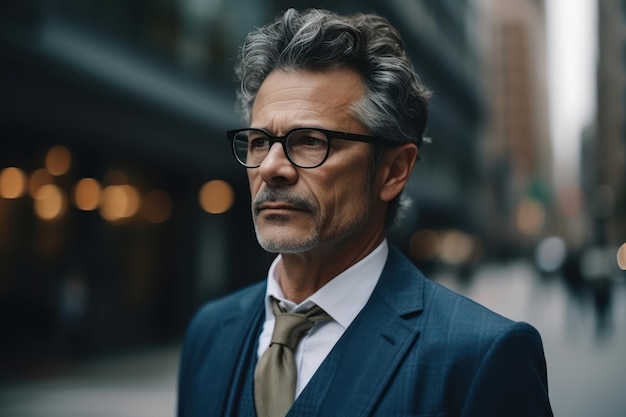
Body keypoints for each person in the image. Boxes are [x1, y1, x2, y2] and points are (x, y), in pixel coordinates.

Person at [177, 8, 553, 417]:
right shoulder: (209, 334)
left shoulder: (481, 357)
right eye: (259, 141)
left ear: (392, 171)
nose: (270, 167)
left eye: (310, 141)